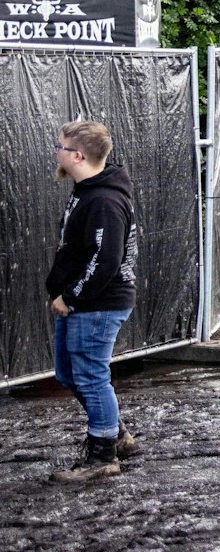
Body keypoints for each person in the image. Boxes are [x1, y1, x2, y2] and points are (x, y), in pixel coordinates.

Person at [45, 119, 140, 482]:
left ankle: (102, 456)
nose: (56, 152)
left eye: (60, 147)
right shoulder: (88, 190)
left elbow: (106, 260)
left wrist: (71, 297)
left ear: (78, 155)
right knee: (70, 374)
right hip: (83, 302)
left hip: (98, 304)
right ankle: (117, 436)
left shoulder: (103, 199)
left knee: (90, 377)